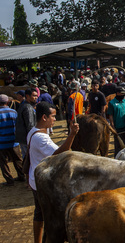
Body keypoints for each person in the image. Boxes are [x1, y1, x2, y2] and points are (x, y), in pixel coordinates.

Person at [27, 101, 79, 243]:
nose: (55, 120)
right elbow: (60, 153)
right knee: (52, 216)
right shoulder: (41, 138)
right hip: (43, 182)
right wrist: (72, 134)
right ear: (44, 117)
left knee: (39, 214)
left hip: (34, 178)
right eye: (53, 117)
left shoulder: (33, 131)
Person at [0, 94, 25, 186]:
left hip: (1, 143)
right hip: (14, 141)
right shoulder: (14, 112)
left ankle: (9, 180)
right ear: (7, 102)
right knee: (18, 160)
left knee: (3, 163)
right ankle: (22, 176)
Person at [107, 86, 125, 157]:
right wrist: (112, 126)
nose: (123, 95)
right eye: (122, 93)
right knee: (118, 147)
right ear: (117, 93)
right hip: (118, 127)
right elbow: (110, 115)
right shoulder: (112, 103)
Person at [16, 88, 38, 158]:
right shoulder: (28, 108)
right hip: (27, 139)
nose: (36, 98)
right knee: (29, 159)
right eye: (34, 96)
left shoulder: (24, 105)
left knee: (26, 158)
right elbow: (30, 125)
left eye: (37, 96)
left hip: (23, 138)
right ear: (27, 96)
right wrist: (33, 139)